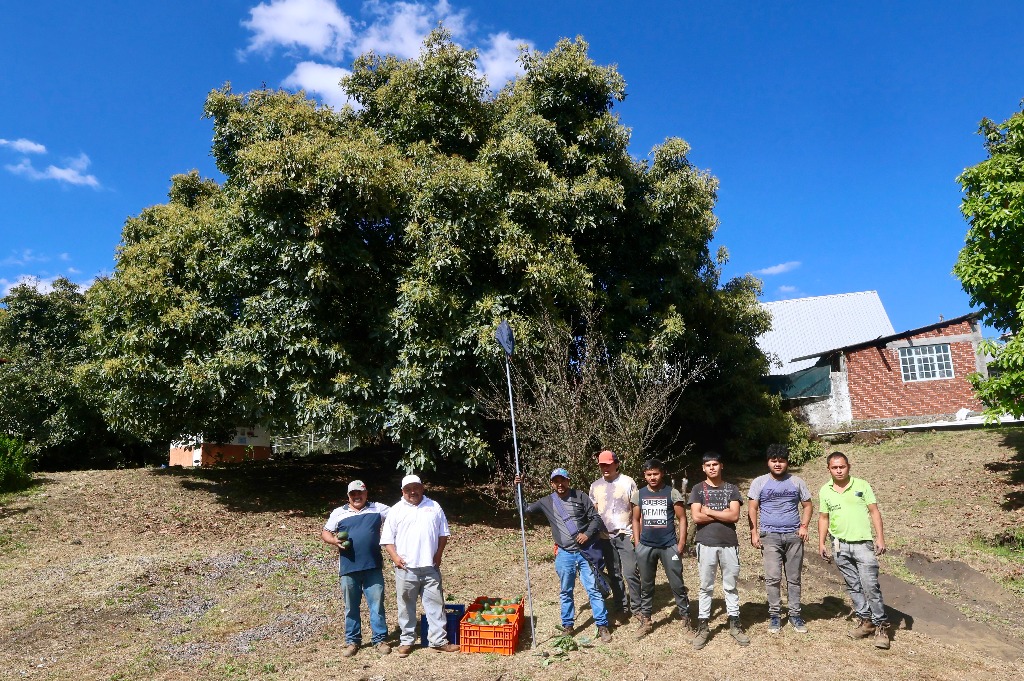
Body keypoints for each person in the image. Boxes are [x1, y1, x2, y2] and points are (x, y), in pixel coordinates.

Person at [518, 468, 613, 642]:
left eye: (563, 481)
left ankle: (602, 625)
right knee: (565, 590)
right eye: (556, 481)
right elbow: (525, 509)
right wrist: (519, 488)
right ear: (551, 484)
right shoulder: (547, 501)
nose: (560, 484)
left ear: (568, 481)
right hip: (564, 554)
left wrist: (587, 534)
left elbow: (596, 519)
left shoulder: (580, 496)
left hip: (585, 553)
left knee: (592, 589)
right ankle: (568, 625)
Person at [380, 474, 460, 657]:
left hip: (430, 566)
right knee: (406, 606)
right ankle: (407, 641)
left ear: (422, 488)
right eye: (408, 489)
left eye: (415, 488)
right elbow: (387, 540)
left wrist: (438, 555)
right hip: (406, 568)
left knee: (435, 604)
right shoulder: (396, 510)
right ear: (402, 492)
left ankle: (438, 641)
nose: (412, 492)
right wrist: (395, 558)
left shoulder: (434, 507)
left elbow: (443, 534)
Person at [818, 451, 891, 650]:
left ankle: (881, 626)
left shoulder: (862, 485)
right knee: (853, 585)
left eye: (842, 466)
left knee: (870, 586)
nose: (839, 470)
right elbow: (823, 518)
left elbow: (874, 511)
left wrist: (880, 537)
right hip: (840, 546)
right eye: (835, 467)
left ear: (848, 466)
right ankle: (865, 620)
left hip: (863, 545)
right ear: (829, 469)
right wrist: (822, 542)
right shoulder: (825, 490)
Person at [321, 480, 392, 657]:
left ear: (366, 493)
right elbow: (325, 532)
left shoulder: (378, 509)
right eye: (353, 494)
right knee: (351, 607)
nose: (356, 496)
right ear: (348, 496)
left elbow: (398, 515)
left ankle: (380, 639)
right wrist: (334, 540)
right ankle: (352, 641)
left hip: (373, 566)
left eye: (360, 493)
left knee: (376, 605)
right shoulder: (338, 513)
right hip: (348, 568)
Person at [747, 446, 813, 634]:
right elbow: (752, 508)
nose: (778, 464)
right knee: (772, 577)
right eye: (774, 460)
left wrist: (804, 526)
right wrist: (754, 532)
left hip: (794, 536)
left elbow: (808, 506)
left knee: (794, 578)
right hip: (770, 537)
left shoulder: (796, 481)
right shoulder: (759, 482)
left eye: (781, 460)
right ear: (768, 462)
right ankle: (775, 615)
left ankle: (795, 614)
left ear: (787, 462)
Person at [688, 451, 749, 649]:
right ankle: (703, 626)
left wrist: (709, 511)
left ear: (721, 466)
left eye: (715, 464)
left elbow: (734, 517)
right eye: (708, 465)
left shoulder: (732, 489)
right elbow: (696, 518)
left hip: (729, 543)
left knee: (730, 586)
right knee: (705, 586)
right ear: (703, 468)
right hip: (705, 543)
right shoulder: (697, 489)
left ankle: (735, 624)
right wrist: (722, 513)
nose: (712, 468)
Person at [630, 458, 691, 638]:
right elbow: (635, 519)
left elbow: (682, 519)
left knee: (677, 584)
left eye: (656, 473)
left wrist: (680, 544)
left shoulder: (672, 493)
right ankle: (646, 620)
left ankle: (686, 618)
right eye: (649, 474)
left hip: (669, 546)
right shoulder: (639, 495)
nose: (653, 477)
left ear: (662, 473)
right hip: (646, 547)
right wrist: (637, 543)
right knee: (646, 585)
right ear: (644, 476)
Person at [588, 449, 641, 625]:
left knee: (631, 571)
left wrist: (636, 533)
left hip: (625, 534)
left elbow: (636, 510)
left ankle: (637, 607)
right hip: (604, 537)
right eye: (602, 465)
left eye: (608, 464)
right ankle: (621, 608)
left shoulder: (627, 482)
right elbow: (593, 511)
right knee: (614, 573)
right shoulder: (595, 486)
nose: (605, 468)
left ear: (616, 464)